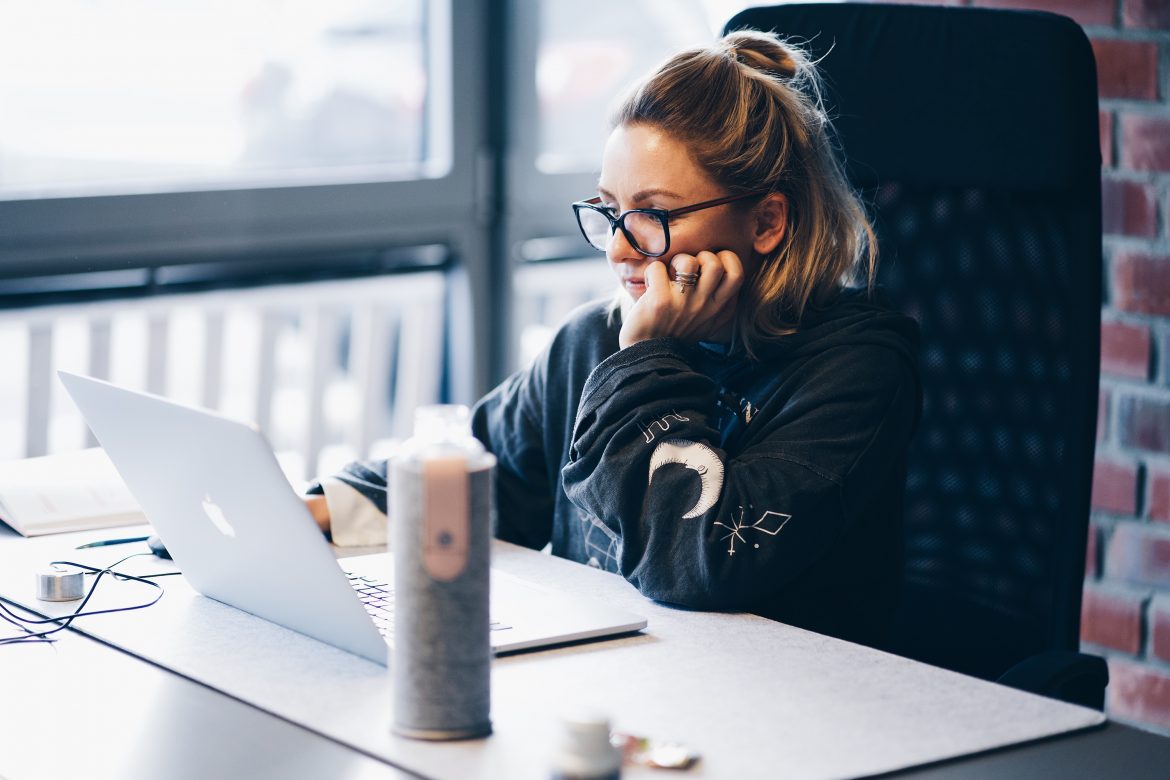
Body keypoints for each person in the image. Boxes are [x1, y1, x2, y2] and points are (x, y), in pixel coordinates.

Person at [306, 30, 921, 648]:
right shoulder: (595, 340)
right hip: (614, 682)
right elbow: (480, 474)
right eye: (608, 213)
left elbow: (695, 562)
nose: (620, 250)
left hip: (777, 703)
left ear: (766, 221)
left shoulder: (857, 367)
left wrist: (650, 359)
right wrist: (320, 509)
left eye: (653, 215)